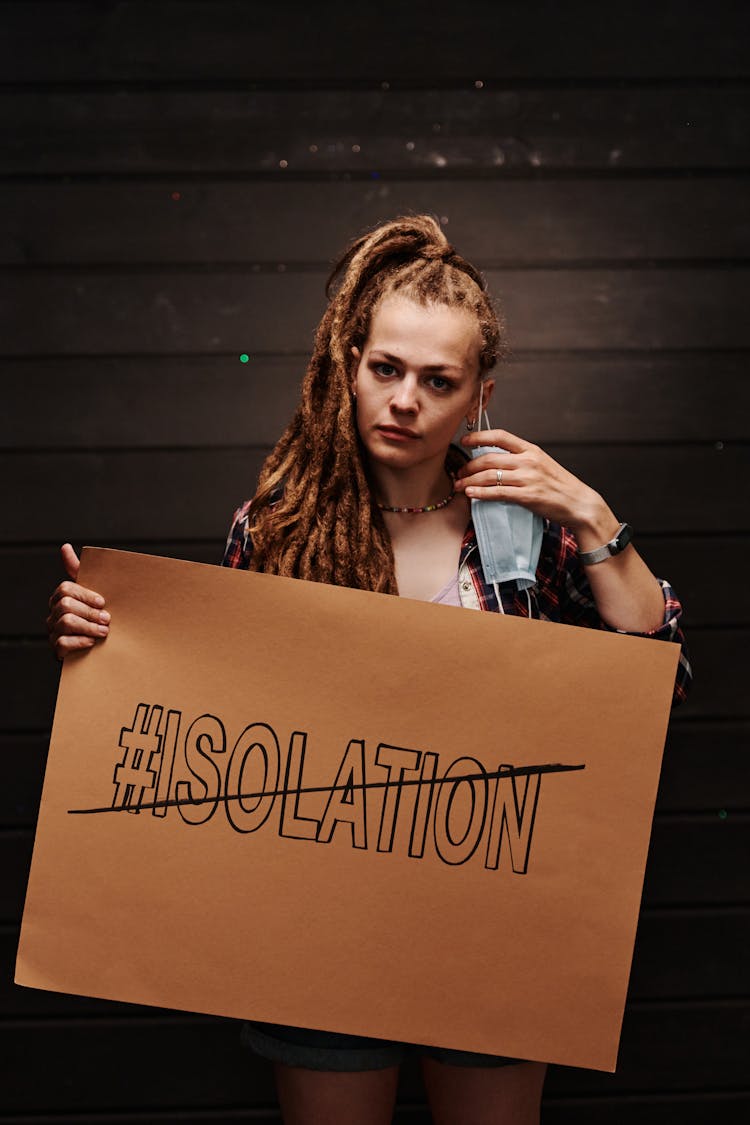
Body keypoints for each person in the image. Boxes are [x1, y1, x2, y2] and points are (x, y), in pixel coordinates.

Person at [47, 214, 691, 1125]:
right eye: (386, 369)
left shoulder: (526, 527)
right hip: (325, 926)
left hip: (496, 924)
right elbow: (215, 710)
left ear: (479, 395)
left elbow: (654, 671)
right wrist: (104, 641)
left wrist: (590, 513)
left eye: (439, 381)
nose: (405, 400)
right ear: (349, 364)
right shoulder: (278, 525)